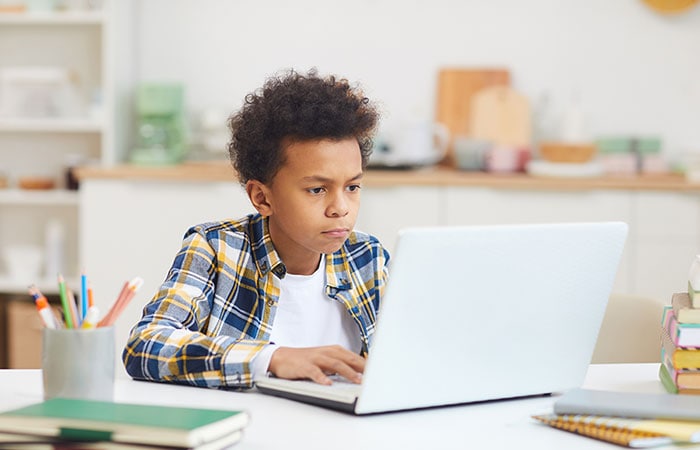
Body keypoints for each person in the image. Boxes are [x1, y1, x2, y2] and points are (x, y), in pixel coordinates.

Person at [122, 69, 389, 390]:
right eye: (317, 190)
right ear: (262, 197)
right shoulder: (215, 248)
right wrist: (271, 359)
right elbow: (145, 344)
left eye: (353, 187)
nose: (341, 208)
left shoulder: (367, 257)